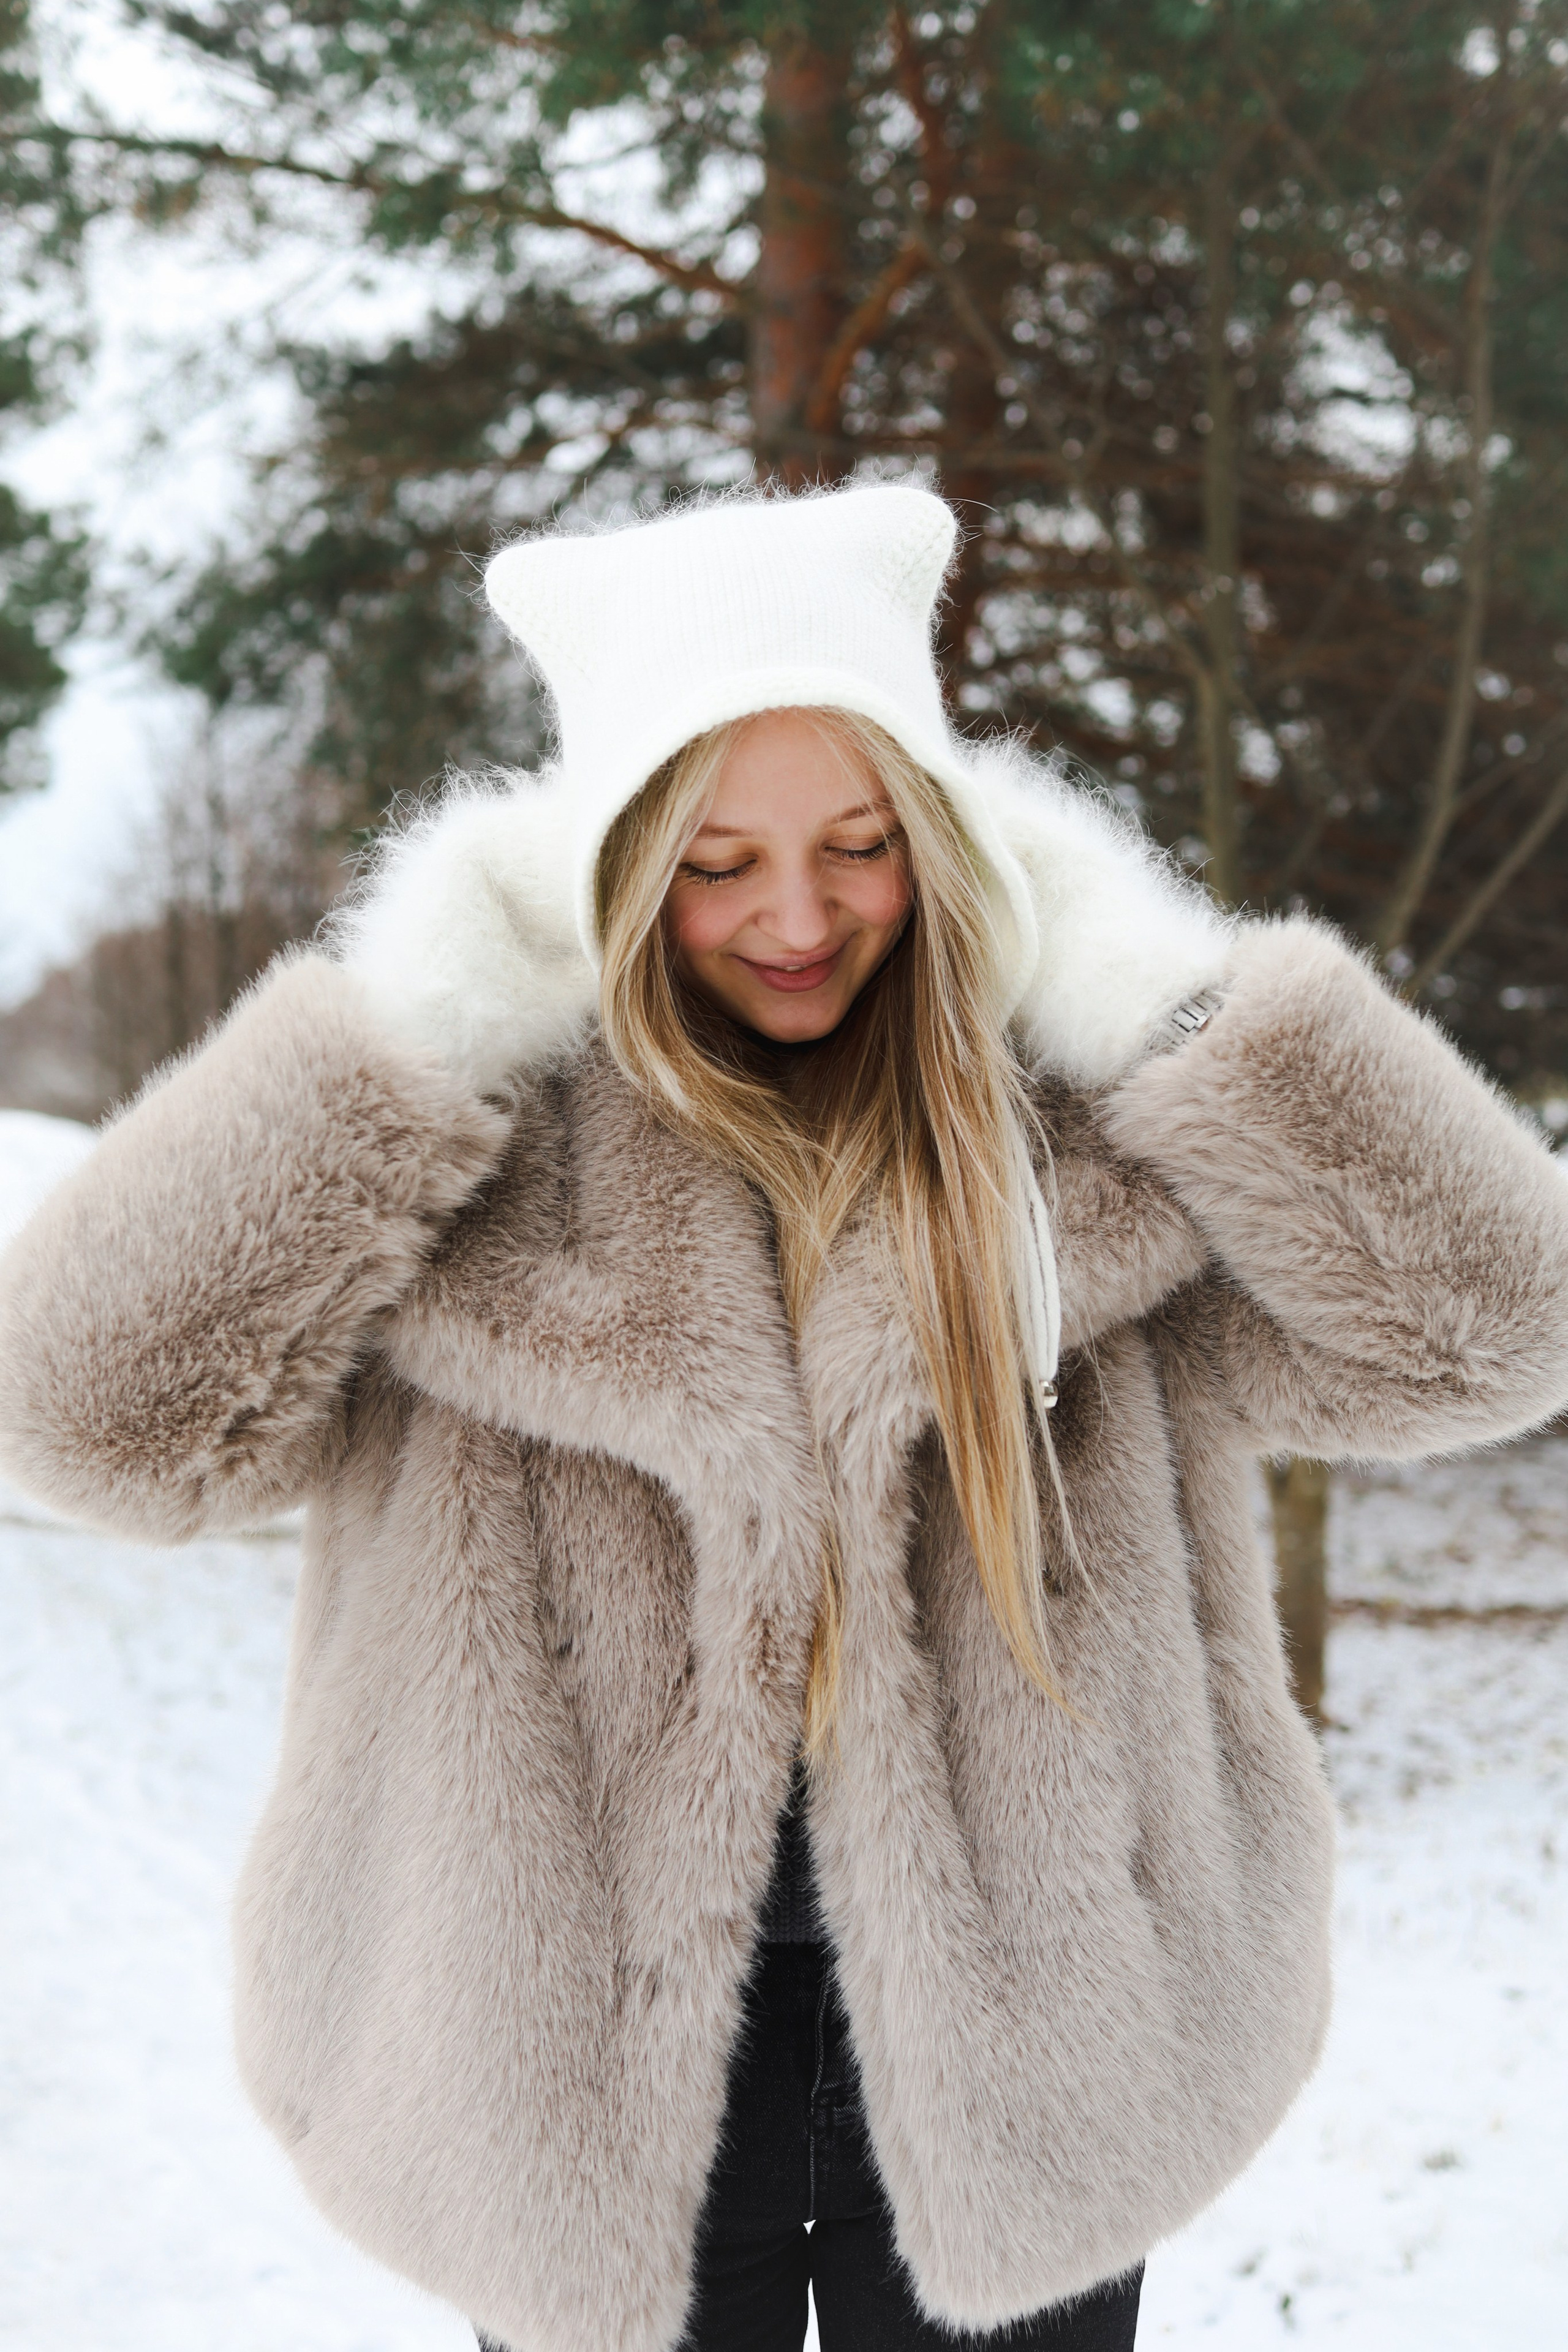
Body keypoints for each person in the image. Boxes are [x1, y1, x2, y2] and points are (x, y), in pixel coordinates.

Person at [2, 483, 1567, 2352]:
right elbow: (89, 1418)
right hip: (571, 2068)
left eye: (859, 841)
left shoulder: (1076, 1125)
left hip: (1042, 2052)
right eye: (715, 859)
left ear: (944, 832)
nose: (801, 917)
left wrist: (1170, 997)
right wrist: (401, 1026)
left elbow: (1497, 1328)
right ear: (600, 858)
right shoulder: (460, 1152)